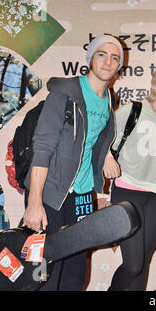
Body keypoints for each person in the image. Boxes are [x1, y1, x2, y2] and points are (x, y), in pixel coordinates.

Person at [22, 35, 123, 290]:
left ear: (119, 66)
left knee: (75, 275)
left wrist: (107, 155)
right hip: (50, 193)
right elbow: (43, 148)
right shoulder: (65, 93)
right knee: (42, 275)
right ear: (90, 58)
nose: (108, 61)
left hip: (82, 195)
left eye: (115, 57)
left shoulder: (109, 100)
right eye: (102, 54)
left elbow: (95, 138)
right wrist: (34, 202)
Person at [101, 63, 156, 291]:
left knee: (142, 266)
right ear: (155, 84)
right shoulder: (133, 109)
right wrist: (107, 158)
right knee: (133, 265)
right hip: (128, 190)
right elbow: (101, 138)